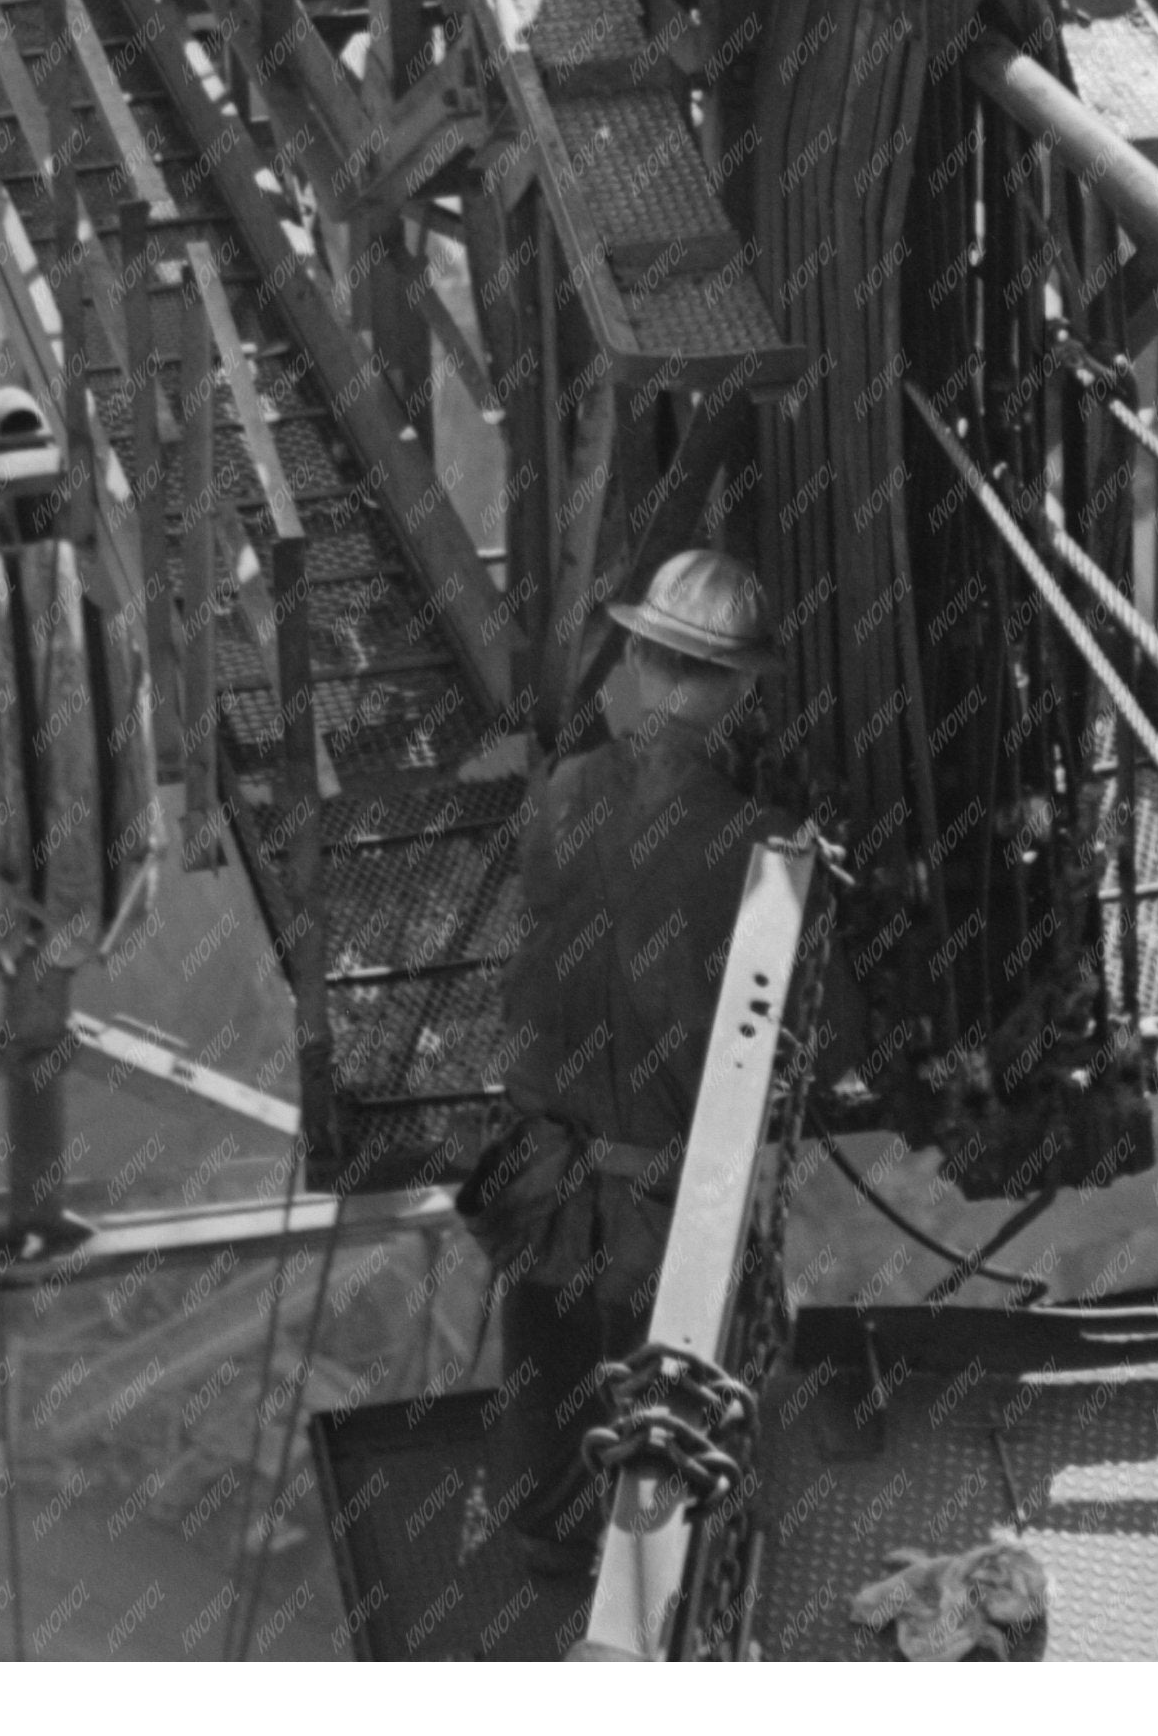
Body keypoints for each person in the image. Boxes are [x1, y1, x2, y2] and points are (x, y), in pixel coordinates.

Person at [463, 551, 778, 1578]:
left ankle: (544, 1561)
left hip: (551, 1188)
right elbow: (821, 1033)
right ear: (739, 690)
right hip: (660, 1217)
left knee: (546, 1449)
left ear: (638, 660)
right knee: (670, 1471)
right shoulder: (758, 845)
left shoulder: (561, 795)